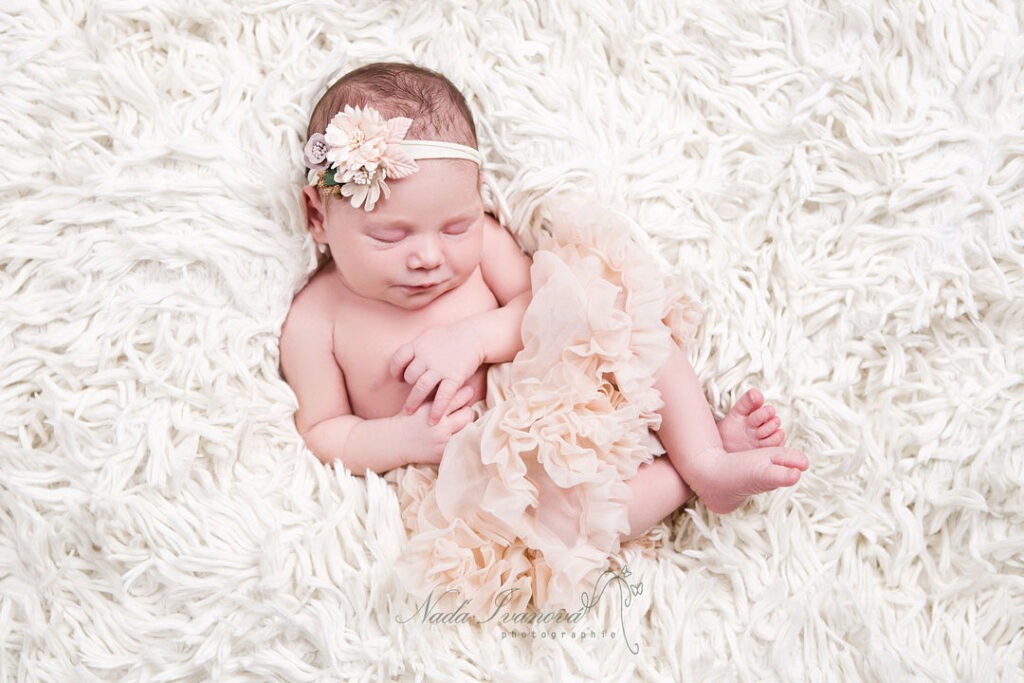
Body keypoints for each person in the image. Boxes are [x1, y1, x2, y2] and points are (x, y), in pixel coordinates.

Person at [279, 62, 808, 545]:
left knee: (625, 322)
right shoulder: (317, 319)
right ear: (318, 216)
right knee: (557, 533)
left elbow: (544, 304)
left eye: (455, 225)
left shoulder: (485, 243)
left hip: (563, 388)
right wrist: (403, 439)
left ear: (477, 197)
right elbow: (324, 433)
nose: (427, 256)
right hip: (486, 469)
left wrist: (475, 338)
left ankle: (705, 456)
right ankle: (685, 480)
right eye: (389, 237)